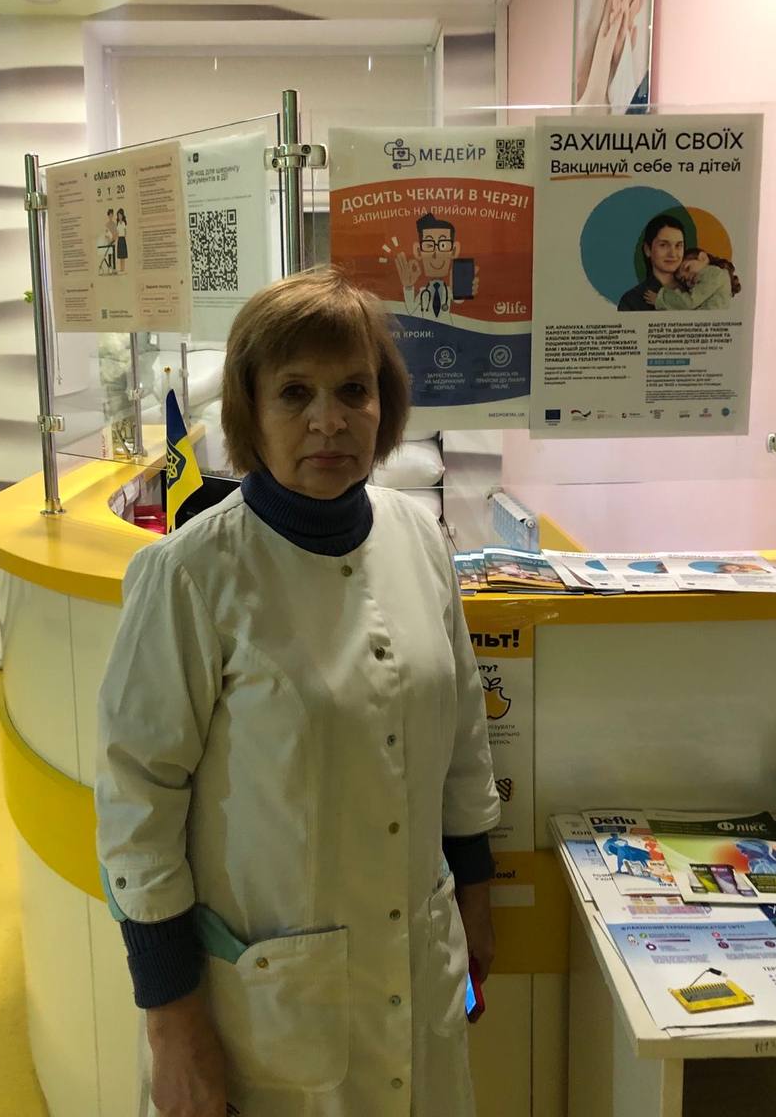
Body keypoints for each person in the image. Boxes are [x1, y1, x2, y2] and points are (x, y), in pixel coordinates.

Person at [95, 268, 500, 1117]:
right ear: (250, 412)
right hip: (268, 1005)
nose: (329, 420)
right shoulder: (189, 574)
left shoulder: (419, 538)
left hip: (421, 965)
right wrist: (171, 1023)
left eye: (353, 390)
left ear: (384, 404)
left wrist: (475, 898)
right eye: (294, 393)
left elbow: (462, 737)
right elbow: (137, 807)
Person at [391, 213, 476, 323]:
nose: (436, 254)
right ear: (418, 251)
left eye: (443, 245)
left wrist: (461, 288)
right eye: (429, 245)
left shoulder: (449, 290)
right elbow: (411, 310)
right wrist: (408, 287)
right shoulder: (423, 293)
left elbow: (460, 303)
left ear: (454, 250)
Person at [618, 212, 686, 311]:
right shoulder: (632, 300)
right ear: (647, 250)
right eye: (663, 245)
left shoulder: (695, 289)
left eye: (678, 245)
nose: (673, 254)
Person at [651, 249, 740, 311]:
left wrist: (661, 298)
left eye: (687, 268)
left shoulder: (714, 273)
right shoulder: (713, 278)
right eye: (684, 280)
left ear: (703, 258)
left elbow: (690, 302)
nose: (687, 277)